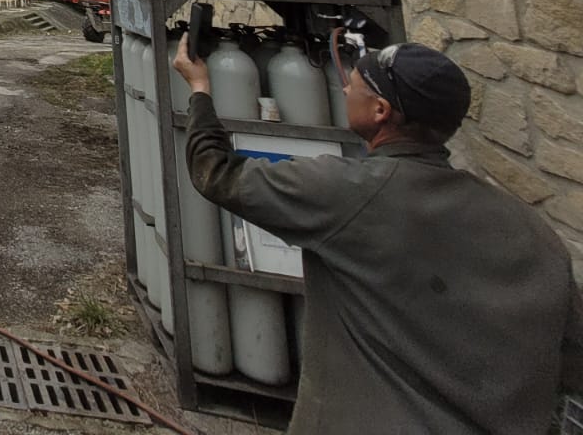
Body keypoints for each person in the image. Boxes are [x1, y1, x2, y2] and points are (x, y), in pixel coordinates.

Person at [170, 35, 583, 433]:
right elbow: (570, 367)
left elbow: (217, 172)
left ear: (381, 110)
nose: (346, 85)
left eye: (356, 83)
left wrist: (201, 89)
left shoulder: (346, 194)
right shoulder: (535, 233)